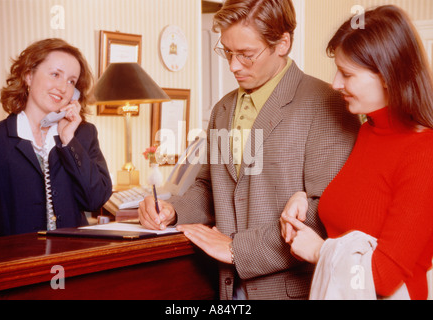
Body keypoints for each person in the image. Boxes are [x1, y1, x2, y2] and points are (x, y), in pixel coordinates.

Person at [140, 0, 360, 300]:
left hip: (293, 291)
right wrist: (172, 211)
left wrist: (236, 249)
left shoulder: (328, 104)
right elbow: (209, 187)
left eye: (245, 55)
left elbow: (325, 211)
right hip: (227, 288)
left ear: (283, 43)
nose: (233, 65)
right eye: (227, 52)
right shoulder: (222, 109)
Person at [281, 5, 433, 300]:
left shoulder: (424, 152)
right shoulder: (368, 131)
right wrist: (302, 199)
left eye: (347, 74)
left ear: (388, 75)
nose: (336, 83)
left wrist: (318, 251)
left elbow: (382, 277)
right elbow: (356, 221)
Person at [0, 38, 112, 238]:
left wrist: (68, 140)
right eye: (55, 75)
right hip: (15, 262)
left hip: (72, 258)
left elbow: (95, 200)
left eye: (71, 81)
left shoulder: (83, 135)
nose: (63, 88)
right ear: (28, 76)